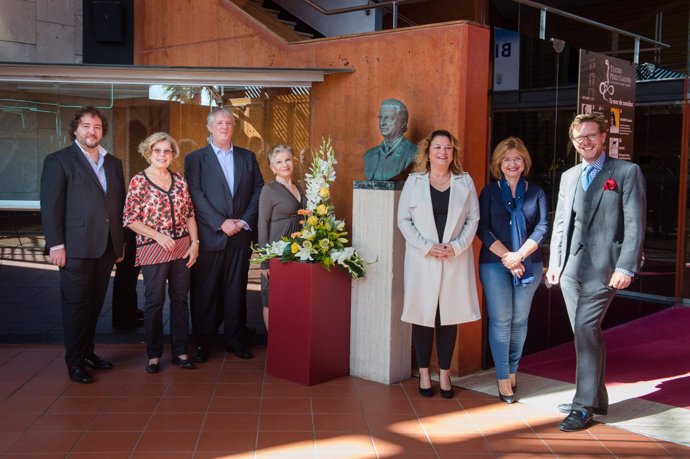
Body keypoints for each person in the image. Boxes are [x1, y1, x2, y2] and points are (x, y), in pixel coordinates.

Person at [546, 113, 646, 432]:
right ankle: (596, 398)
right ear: (573, 142)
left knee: (586, 328)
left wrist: (626, 265)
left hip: (605, 268)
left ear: (603, 136)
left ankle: (583, 405)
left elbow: (634, 224)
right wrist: (556, 266)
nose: (585, 142)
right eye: (579, 138)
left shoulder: (626, 172)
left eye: (590, 136)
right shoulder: (570, 176)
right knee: (585, 332)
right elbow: (562, 224)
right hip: (571, 268)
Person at [40, 106, 126, 384]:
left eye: (98, 126)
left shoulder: (113, 163)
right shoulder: (59, 161)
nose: (92, 131)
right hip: (75, 248)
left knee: (94, 305)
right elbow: (51, 206)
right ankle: (75, 362)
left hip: (106, 247)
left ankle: (88, 354)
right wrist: (56, 245)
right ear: (75, 129)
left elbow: (118, 205)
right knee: (76, 306)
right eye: (87, 125)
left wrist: (120, 244)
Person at [397, 129, 481, 398]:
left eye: (447, 148)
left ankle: (444, 374)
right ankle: (423, 373)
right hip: (424, 259)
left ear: (453, 152)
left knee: (448, 317)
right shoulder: (414, 181)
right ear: (428, 152)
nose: (442, 152)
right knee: (422, 317)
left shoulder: (465, 181)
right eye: (437, 147)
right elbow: (403, 221)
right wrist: (426, 246)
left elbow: (473, 220)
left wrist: (455, 247)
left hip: (454, 258)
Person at [185, 108, 264, 361]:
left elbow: (258, 190)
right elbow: (195, 194)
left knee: (235, 291)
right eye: (219, 122)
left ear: (234, 127)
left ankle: (234, 339)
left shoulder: (248, 157)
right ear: (209, 127)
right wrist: (221, 223)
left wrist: (241, 222)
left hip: (239, 236)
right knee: (204, 292)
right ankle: (203, 342)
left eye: (228, 122)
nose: (224, 126)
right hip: (210, 236)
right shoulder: (195, 159)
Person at [477, 137, 548, 404]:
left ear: (524, 161)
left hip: (529, 261)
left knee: (519, 320)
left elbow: (541, 228)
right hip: (495, 263)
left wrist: (519, 255)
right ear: (498, 163)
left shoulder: (536, 192)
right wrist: (508, 256)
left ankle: (513, 369)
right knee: (501, 320)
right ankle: (503, 378)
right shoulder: (489, 192)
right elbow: (482, 228)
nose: (512, 163)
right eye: (506, 159)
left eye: (517, 158)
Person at [123, 132, 199, 373]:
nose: (162, 155)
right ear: (149, 152)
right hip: (153, 249)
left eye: (167, 151)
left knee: (180, 300)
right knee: (154, 302)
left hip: (182, 248)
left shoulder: (179, 179)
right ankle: (154, 354)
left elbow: (190, 214)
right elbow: (129, 219)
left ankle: (180, 351)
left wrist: (195, 243)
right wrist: (158, 235)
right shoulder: (139, 180)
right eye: (157, 150)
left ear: (172, 154)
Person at [257, 144, 306, 330]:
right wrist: (264, 262)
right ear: (272, 168)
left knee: (290, 297)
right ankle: (274, 344)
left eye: (287, 160)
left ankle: (288, 340)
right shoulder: (269, 190)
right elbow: (262, 225)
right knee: (271, 298)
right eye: (278, 162)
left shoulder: (298, 186)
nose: (284, 164)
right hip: (276, 252)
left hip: (298, 251)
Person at [364, 98, 417, 181]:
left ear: (403, 123)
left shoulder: (414, 153)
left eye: (389, 118)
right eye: (380, 118)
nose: (382, 123)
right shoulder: (369, 155)